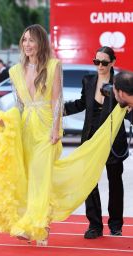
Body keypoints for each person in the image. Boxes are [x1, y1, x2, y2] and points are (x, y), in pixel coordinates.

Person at [0, 26, 127, 245]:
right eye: (24, 39)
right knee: (28, 176)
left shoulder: (54, 66)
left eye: (32, 40)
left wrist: (56, 129)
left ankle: (35, 224)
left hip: (46, 130)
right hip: (26, 129)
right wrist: (6, 120)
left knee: (40, 176)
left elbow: (57, 100)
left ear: (41, 43)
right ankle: (38, 223)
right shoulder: (15, 70)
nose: (27, 44)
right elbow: (19, 106)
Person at [65, 46, 128, 238]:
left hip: (112, 139)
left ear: (112, 63)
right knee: (89, 182)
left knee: (115, 182)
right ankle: (94, 225)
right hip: (90, 138)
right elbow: (83, 103)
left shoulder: (120, 82)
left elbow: (128, 105)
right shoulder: (89, 80)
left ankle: (116, 225)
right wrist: (60, 110)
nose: (100, 66)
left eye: (104, 62)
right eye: (96, 62)